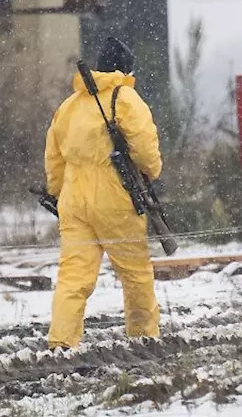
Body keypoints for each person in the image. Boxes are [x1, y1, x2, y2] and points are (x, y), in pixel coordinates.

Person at [46, 37, 163, 350]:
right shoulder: (125, 99)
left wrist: (58, 194)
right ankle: (143, 338)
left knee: (73, 275)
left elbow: (54, 160)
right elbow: (145, 151)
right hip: (116, 198)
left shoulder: (68, 106)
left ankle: (61, 341)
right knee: (135, 272)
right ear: (125, 68)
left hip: (73, 200)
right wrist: (151, 173)